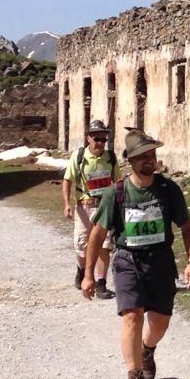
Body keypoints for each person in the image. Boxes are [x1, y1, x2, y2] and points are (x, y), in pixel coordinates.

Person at [82, 128, 190, 379]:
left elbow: (187, 227)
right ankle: (135, 377)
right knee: (132, 316)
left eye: (152, 154)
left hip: (160, 261)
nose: (150, 160)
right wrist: (88, 275)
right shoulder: (116, 192)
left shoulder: (168, 190)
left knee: (160, 322)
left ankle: (147, 349)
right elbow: (97, 235)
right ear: (130, 160)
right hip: (128, 260)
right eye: (142, 156)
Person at [63, 120, 118, 300]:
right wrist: (67, 204)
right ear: (88, 138)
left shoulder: (111, 158)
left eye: (104, 140)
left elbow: (117, 182)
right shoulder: (79, 157)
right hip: (84, 206)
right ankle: (82, 271)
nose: (100, 143)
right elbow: (67, 180)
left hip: (104, 206)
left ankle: (101, 283)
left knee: (105, 245)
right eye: (97, 139)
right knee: (81, 244)